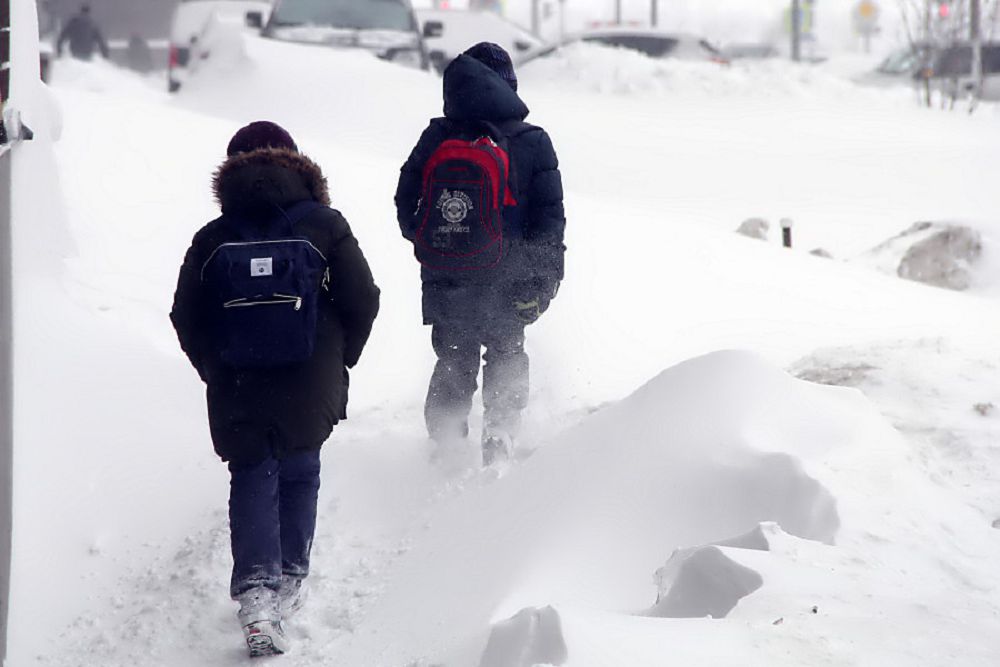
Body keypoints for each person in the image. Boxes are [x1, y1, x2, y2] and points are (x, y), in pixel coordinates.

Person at [170, 121, 380, 656]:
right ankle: (289, 578)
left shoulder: (213, 237)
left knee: (252, 472)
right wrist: (340, 357)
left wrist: (213, 366)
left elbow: (185, 314)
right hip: (311, 371)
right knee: (300, 466)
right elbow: (363, 297)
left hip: (237, 376)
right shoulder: (326, 225)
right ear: (296, 163)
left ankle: (257, 598)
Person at [395, 42, 566, 466]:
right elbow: (548, 221)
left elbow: (405, 201)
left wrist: (433, 243)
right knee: (507, 350)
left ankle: (446, 444)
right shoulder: (532, 141)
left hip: (445, 274)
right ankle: (500, 437)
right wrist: (544, 280)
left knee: (454, 355)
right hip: (510, 273)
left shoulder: (437, 137)